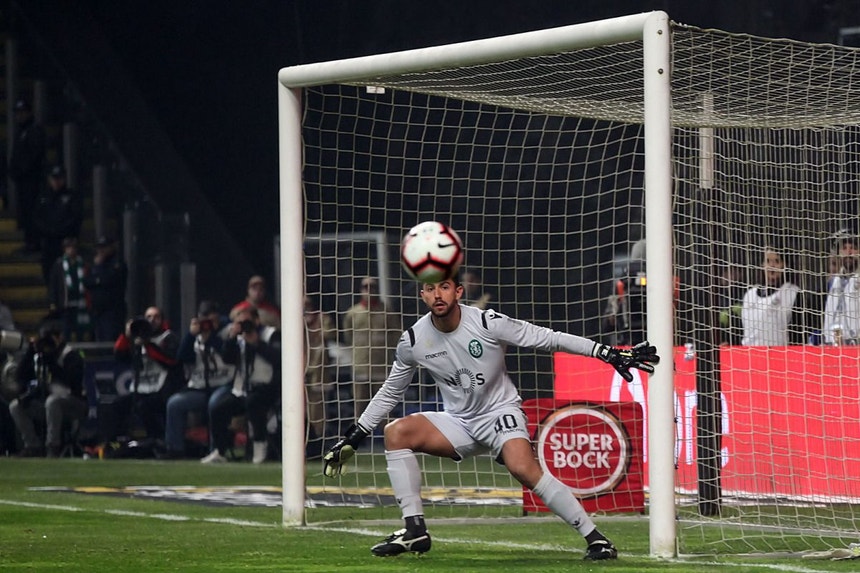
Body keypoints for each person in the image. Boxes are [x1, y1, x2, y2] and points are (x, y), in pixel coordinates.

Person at [323, 274, 659, 560]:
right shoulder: (413, 340)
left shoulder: (487, 322)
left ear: (458, 291)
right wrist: (355, 435)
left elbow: (548, 338)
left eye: (444, 286)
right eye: (429, 288)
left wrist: (609, 353)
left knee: (523, 468)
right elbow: (390, 391)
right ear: (421, 294)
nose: (436, 294)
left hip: (501, 413)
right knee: (397, 432)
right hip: (459, 422)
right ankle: (414, 530)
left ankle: (596, 538)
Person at [201, 307, 281, 464]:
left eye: (246, 322)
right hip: (242, 389)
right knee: (218, 408)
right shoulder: (237, 338)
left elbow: (278, 359)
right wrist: (231, 338)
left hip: (266, 388)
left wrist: (257, 343)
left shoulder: (270, 334)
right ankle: (220, 450)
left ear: (256, 320)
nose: (244, 326)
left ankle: (260, 445)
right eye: (239, 322)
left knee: (254, 402)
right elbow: (227, 359)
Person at [163, 300, 234, 458]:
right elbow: (182, 358)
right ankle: (175, 449)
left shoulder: (228, 330)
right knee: (175, 404)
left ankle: (216, 450)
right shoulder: (195, 335)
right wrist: (190, 335)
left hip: (224, 384)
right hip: (200, 386)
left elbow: (229, 356)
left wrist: (213, 335)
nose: (207, 323)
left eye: (211, 318)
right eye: (204, 318)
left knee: (215, 404)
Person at [8, 323, 87, 457]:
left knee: (53, 401)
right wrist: (30, 353)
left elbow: (69, 385)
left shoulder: (70, 355)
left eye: (51, 338)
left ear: (59, 337)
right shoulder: (39, 356)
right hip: (47, 404)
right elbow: (20, 377)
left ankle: (53, 446)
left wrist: (52, 359)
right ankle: (32, 446)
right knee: (16, 406)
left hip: (74, 404)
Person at [109, 306, 182, 444]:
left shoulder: (169, 337)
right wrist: (126, 335)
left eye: (156, 317)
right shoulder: (137, 339)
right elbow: (119, 356)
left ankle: (155, 439)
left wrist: (148, 345)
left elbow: (170, 361)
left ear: (162, 320)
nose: (152, 320)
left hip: (161, 389)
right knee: (117, 404)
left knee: (144, 406)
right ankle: (116, 442)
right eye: (148, 317)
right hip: (140, 387)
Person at [342, 277, 400, 418]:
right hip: (361, 367)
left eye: (372, 287)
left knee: (384, 407)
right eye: (365, 287)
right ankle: (359, 438)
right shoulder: (352, 313)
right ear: (360, 290)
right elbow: (347, 336)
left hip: (381, 367)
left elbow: (396, 335)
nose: (369, 290)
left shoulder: (387, 312)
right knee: (360, 406)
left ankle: (386, 436)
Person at [739, 247, 807, 346]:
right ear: (762, 265)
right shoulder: (749, 295)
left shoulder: (793, 293)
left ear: (785, 265)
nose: (772, 265)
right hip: (750, 355)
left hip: (779, 356)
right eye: (768, 261)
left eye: (776, 261)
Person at [32, 165, 83, 282]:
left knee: (68, 274)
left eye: (59, 178)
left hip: (66, 242)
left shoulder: (71, 196)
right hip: (48, 242)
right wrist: (47, 230)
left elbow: (75, 218)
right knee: (49, 273)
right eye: (54, 178)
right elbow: (37, 218)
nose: (56, 182)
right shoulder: (43, 197)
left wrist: (59, 230)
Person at [8, 99, 46, 253]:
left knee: (32, 211)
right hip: (23, 180)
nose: (20, 116)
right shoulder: (21, 131)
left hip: (32, 180)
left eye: (22, 112)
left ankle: (34, 242)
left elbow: (34, 156)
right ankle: (29, 241)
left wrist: (21, 171)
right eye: (18, 113)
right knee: (25, 211)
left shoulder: (34, 130)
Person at [82, 235, 128, 342]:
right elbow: (87, 281)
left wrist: (98, 275)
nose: (101, 251)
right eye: (99, 248)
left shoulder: (117, 263)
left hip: (113, 310)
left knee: (111, 339)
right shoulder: (96, 265)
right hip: (98, 310)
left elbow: (108, 280)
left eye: (104, 247)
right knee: (99, 338)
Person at [304, 295, 335, 444]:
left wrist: (318, 329)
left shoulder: (322, 318)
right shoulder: (294, 319)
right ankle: (304, 434)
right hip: (301, 365)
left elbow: (331, 332)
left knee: (318, 403)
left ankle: (319, 435)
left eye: (308, 304)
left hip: (318, 367)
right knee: (301, 403)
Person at [47, 237, 91, 342]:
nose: (71, 250)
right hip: (66, 303)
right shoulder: (59, 264)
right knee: (66, 329)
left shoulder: (82, 263)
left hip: (80, 302)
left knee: (80, 329)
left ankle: (81, 351)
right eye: (68, 248)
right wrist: (53, 301)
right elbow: (54, 284)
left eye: (73, 248)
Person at [822, 235, 860, 345]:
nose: (848, 253)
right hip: (832, 346)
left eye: (853, 248)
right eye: (844, 248)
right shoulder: (833, 281)